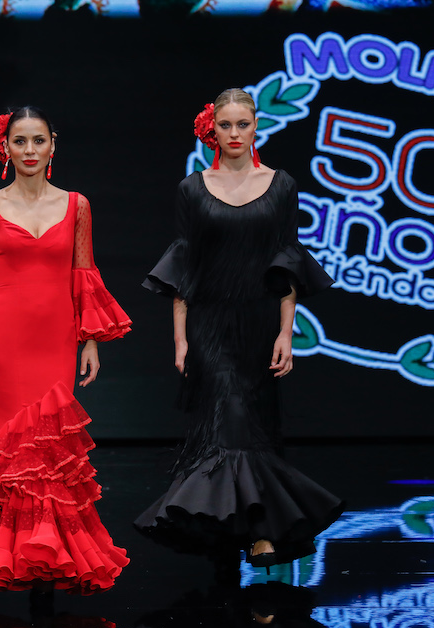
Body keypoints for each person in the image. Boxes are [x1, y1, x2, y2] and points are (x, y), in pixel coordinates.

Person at [134, 88, 344, 572]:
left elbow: (286, 261)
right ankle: (260, 532)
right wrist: (180, 338)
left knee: (253, 425)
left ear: (256, 127)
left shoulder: (281, 185)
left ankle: (236, 527)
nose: (234, 134)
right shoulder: (192, 188)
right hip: (209, 324)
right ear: (212, 129)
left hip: (258, 321)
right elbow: (185, 266)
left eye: (242, 125)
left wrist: (286, 332)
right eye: (225, 125)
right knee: (227, 420)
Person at [0, 106, 132, 603]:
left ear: (52, 145)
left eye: (37, 140)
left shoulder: (77, 205)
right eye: (19, 141)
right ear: (5, 148)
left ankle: (49, 558)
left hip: (56, 338)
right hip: (4, 342)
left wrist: (90, 339)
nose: (29, 150)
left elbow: (84, 273)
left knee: (51, 449)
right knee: (15, 450)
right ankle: (20, 559)